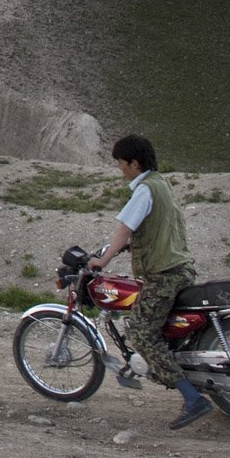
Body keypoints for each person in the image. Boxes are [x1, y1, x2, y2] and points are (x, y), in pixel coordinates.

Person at [89, 133, 211, 430]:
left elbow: (124, 227)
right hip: (180, 268)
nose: (119, 168)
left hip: (163, 275)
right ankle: (173, 368)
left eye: (121, 162)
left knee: (142, 334)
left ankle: (192, 398)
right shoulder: (162, 184)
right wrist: (134, 245)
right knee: (161, 329)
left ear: (134, 162)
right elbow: (153, 227)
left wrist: (102, 261)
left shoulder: (143, 190)